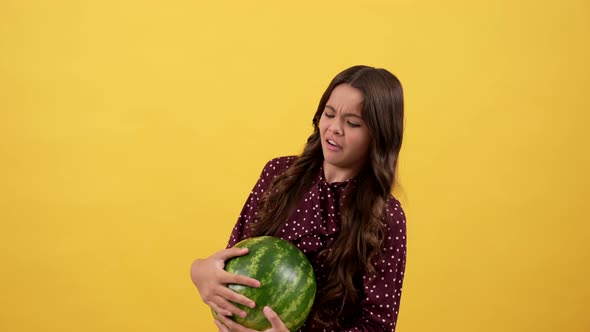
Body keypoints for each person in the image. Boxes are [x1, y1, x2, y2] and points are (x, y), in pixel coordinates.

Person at [190, 65, 407, 332]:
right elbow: (234, 258)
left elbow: (378, 326)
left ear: (378, 135)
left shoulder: (386, 217)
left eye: (352, 123)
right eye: (329, 114)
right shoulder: (277, 174)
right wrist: (199, 272)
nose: (334, 128)